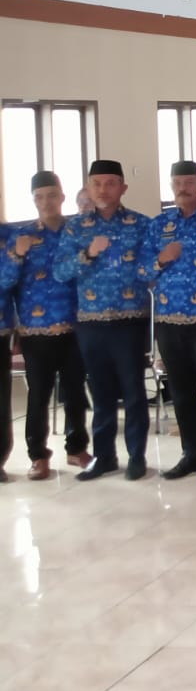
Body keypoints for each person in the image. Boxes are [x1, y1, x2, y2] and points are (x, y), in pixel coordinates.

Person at [52, 159, 151, 481]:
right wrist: (88, 254)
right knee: (101, 394)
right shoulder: (76, 228)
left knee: (134, 392)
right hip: (91, 323)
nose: (103, 189)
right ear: (88, 187)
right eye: (97, 183)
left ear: (123, 187)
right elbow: (60, 272)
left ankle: (136, 457)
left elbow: (152, 268)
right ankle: (104, 457)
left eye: (110, 183)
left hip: (130, 321)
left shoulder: (141, 224)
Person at [140, 160, 196, 480]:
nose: (183, 188)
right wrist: (162, 259)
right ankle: (191, 454)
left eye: (189, 182)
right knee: (181, 392)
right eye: (177, 183)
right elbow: (142, 271)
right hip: (169, 321)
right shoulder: (159, 225)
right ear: (171, 186)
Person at [0, 173, 88, 480]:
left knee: (75, 392)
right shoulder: (21, 236)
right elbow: (5, 282)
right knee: (38, 395)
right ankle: (38, 456)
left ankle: (77, 449)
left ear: (62, 197)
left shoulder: (76, 232)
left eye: (51, 195)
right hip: (35, 331)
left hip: (74, 326)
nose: (46, 202)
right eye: (39, 197)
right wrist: (16, 255)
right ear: (34, 201)